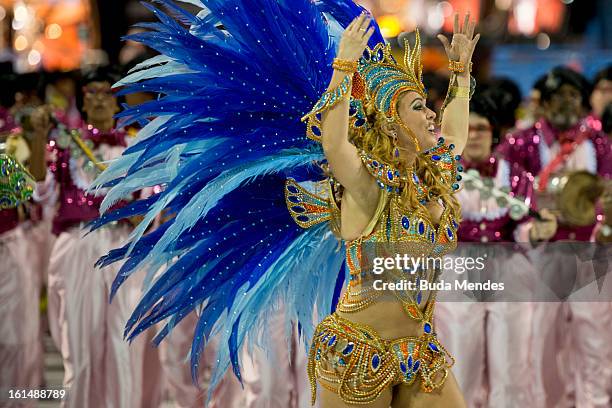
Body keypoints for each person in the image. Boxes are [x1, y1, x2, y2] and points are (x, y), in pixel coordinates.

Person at [88, 2, 477, 407]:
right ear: (391, 125)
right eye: (418, 107)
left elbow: (455, 133)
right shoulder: (367, 186)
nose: (432, 113)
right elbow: (335, 143)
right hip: (360, 354)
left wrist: (461, 77)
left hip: (420, 354)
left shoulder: (433, 176)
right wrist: (343, 66)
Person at [35, 67, 158, 408]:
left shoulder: (136, 146)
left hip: (123, 246)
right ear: (83, 101)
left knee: (124, 344)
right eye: (91, 93)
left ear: (116, 99)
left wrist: (142, 210)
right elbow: (42, 193)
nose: (99, 100)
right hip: (79, 245)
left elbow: (152, 201)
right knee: (81, 347)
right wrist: (34, 140)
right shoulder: (65, 146)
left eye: (106, 92)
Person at [497, 66, 612, 408]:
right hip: (540, 254)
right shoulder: (518, 143)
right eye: (558, 97)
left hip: (591, 253)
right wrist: (529, 227)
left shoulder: (598, 143)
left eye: (573, 96)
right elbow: (505, 199)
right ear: (544, 103)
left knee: (594, 339)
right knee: (540, 343)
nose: (567, 103)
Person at [434, 93, 557, 407]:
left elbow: (525, 226)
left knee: (511, 361)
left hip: (508, 271)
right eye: (469, 128)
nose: (474, 136)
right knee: (460, 359)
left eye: (482, 129)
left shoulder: (514, 175)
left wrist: (537, 231)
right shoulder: (439, 175)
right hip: (458, 271)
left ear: (493, 133)